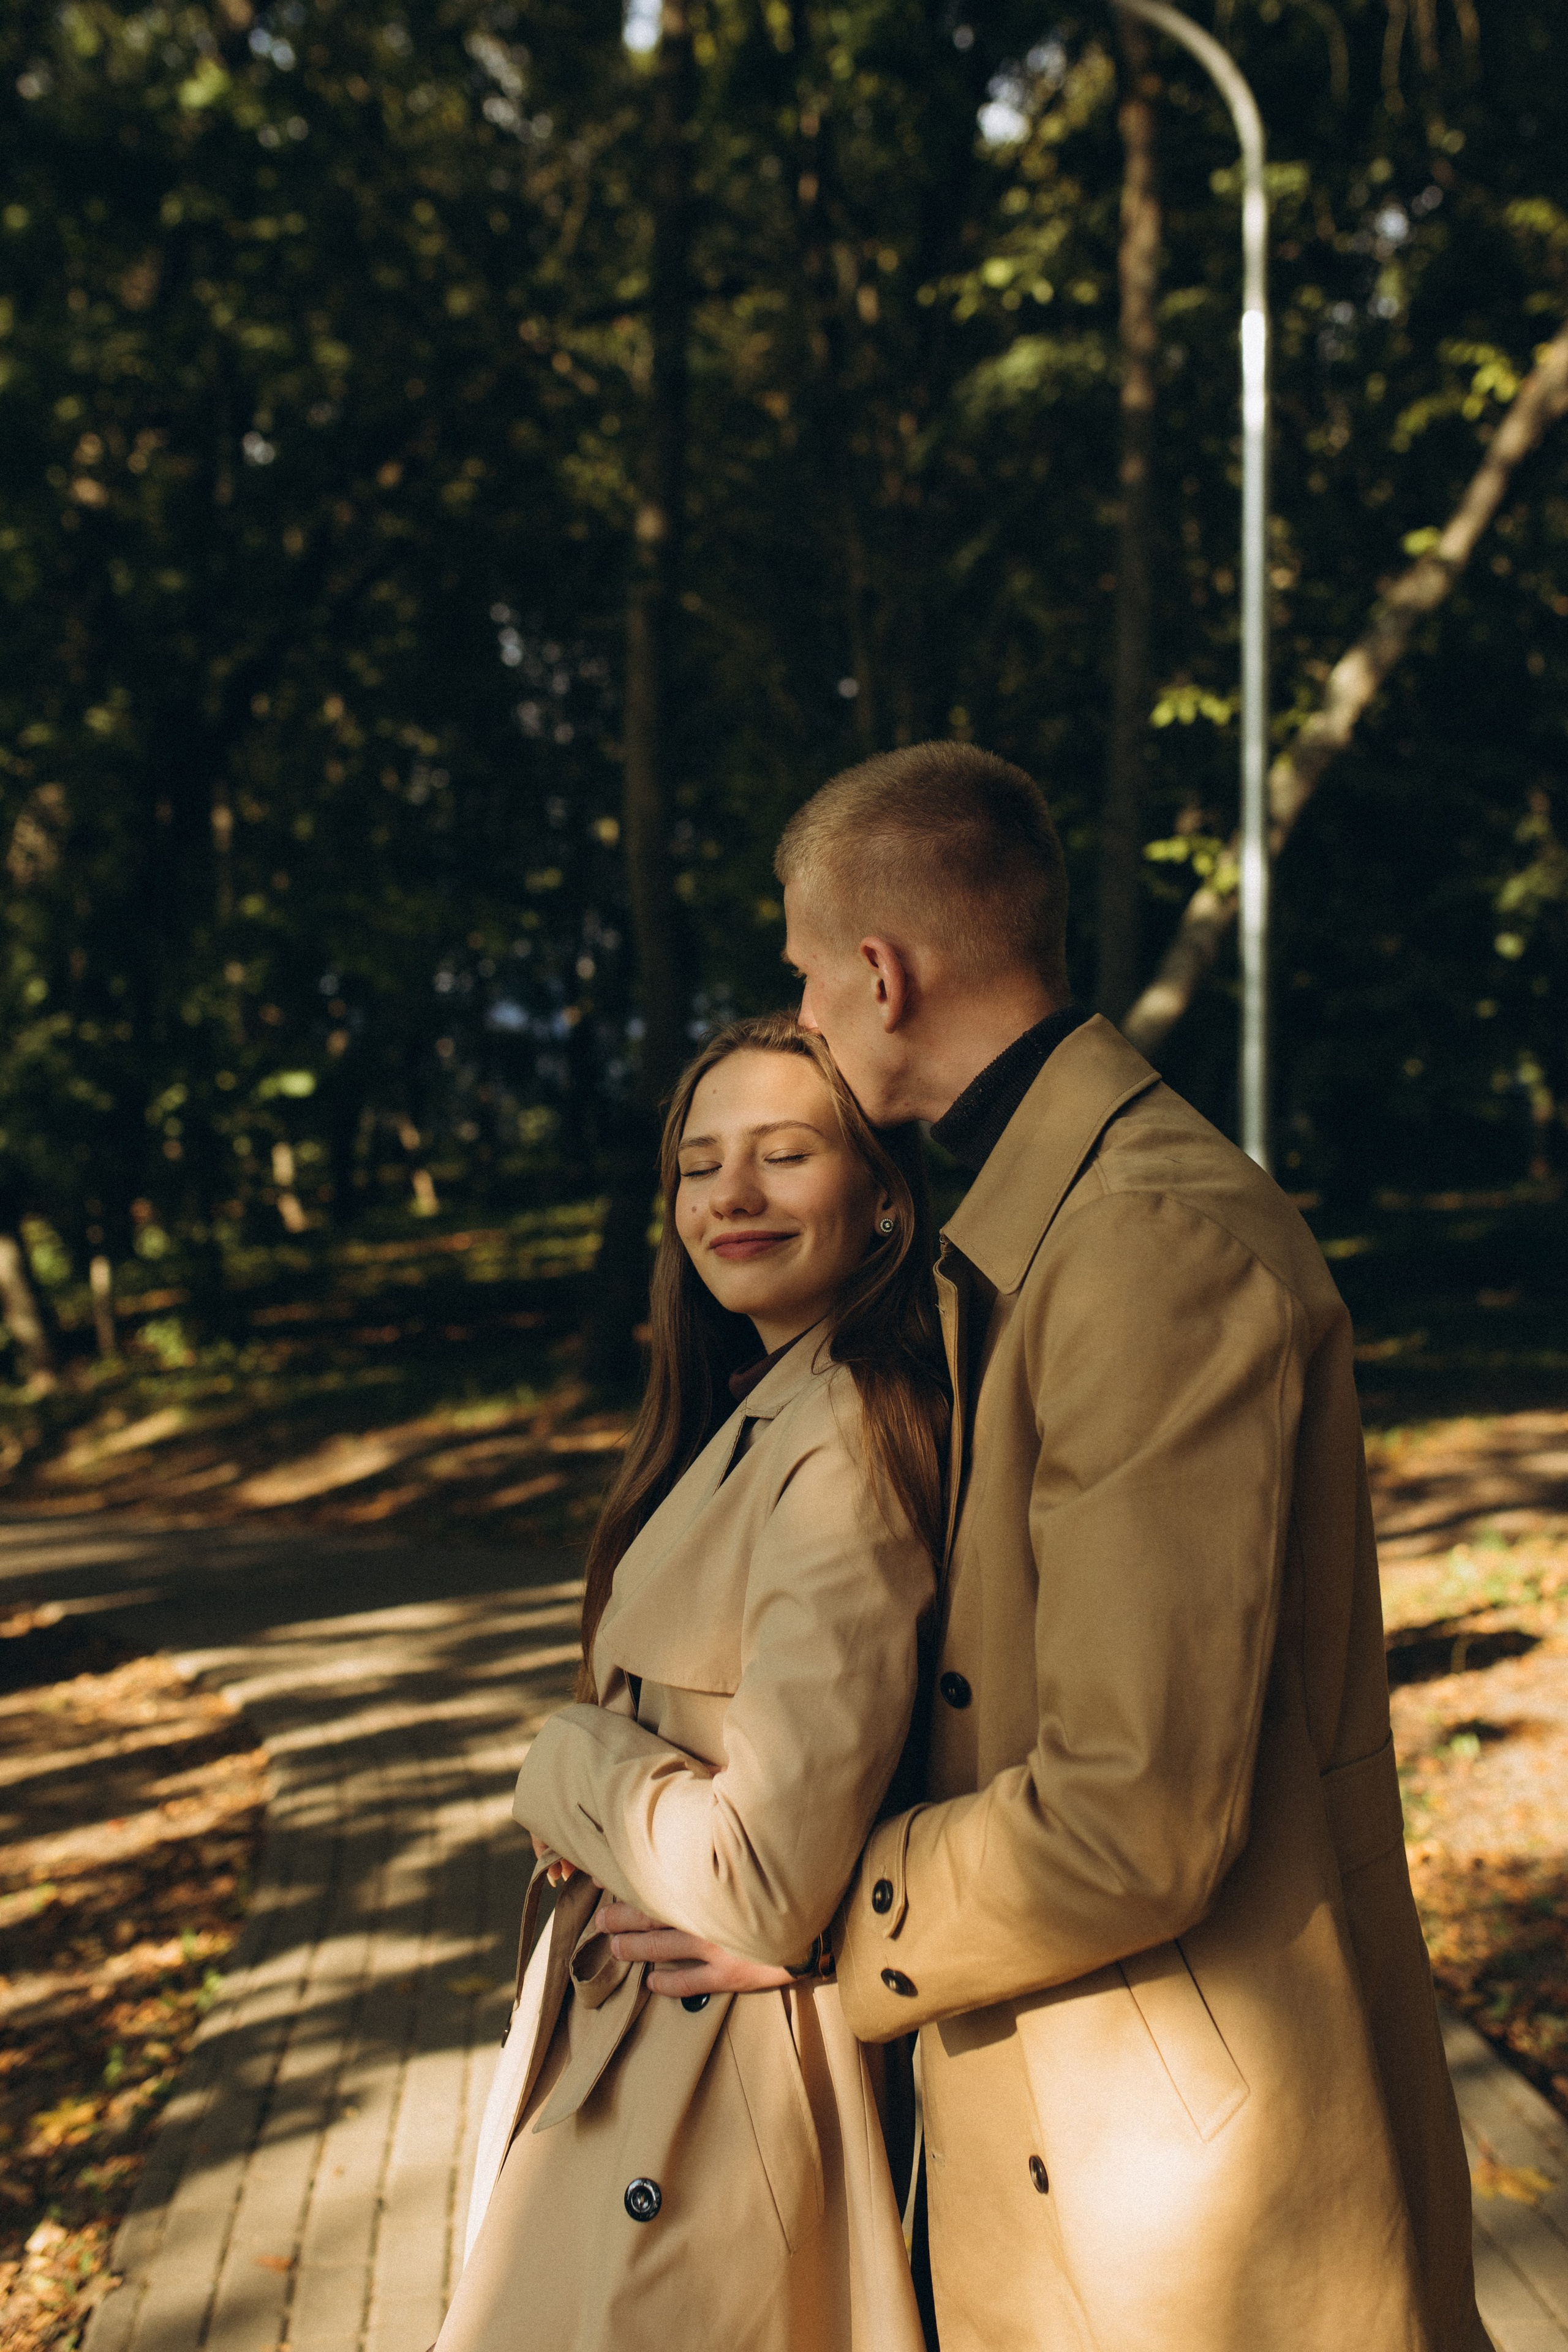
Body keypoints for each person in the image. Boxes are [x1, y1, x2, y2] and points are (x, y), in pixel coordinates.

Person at [605, 744, 1490, 2352]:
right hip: (1079, 2124)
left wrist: (815, 1918)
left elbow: (1130, 1817)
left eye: (805, 973)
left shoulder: (1144, 1245)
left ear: (879, 973)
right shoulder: (1044, 1234)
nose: (801, 1009)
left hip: (1178, 2185)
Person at [435, 1010, 948, 2352]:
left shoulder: (841, 1438)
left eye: (784, 1154)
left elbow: (760, 1884)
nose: (730, 1195)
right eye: (698, 1164)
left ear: (881, 1200)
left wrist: (561, 1763)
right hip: (647, 2058)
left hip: (710, 2095)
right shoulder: (750, 1404)